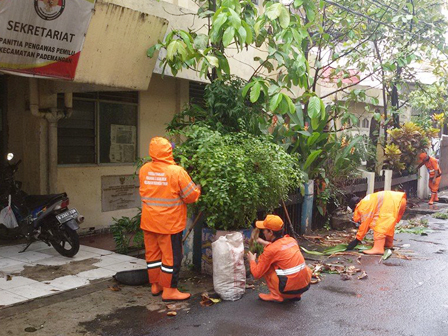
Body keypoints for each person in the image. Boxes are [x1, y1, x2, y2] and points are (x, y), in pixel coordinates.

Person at [139, 137, 201, 301]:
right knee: (171, 258)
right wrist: (198, 189)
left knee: (153, 256)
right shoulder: (177, 171)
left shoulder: (144, 169)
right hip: (168, 224)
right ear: (168, 151)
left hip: (148, 221)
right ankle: (170, 290)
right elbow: (191, 196)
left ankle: (156, 286)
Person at [247, 215, 312, 303]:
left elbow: (257, 274)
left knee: (266, 266)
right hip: (303, 286)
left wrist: (252, 260)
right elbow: (278, 246)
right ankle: (296, 294)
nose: (263, 232)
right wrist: (262, 241)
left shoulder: (271, 250)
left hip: (287, 290)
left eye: (264, 230)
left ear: (270, 232)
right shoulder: (291, 240)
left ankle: (275, 296)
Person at [346, 191, 407, 255]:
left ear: (356, 205)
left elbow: (365, 224)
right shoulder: (368, 200)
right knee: (387, 224)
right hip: (399, 200)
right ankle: (388, 243)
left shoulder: (362, 206)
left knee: (380, 225)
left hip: (392, 202)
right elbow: (369, 222)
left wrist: (357, 240)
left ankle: (378, 248)